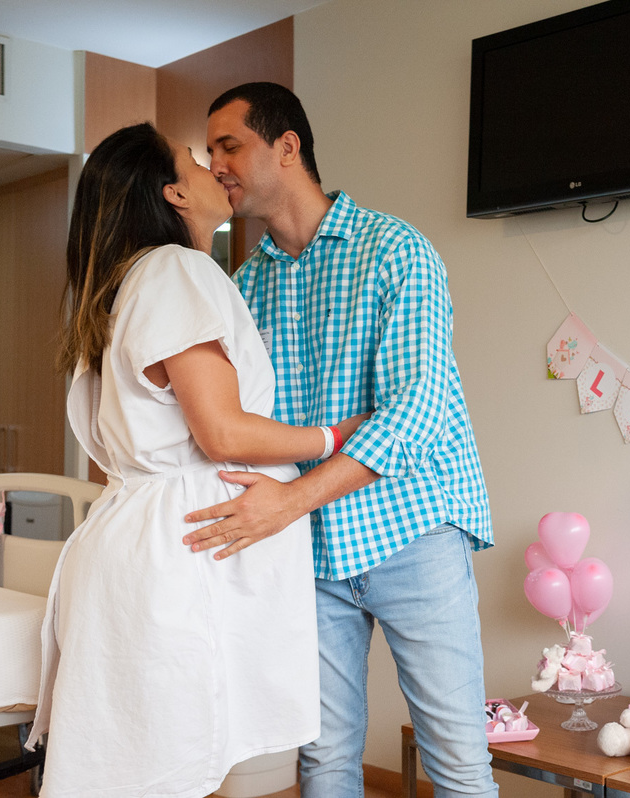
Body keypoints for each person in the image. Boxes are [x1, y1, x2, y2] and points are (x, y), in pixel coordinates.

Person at [27, 122, 367, 797]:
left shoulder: (124, 285)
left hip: (140, 541)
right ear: (174, 191)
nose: (216, 168)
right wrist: (333, 436)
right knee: (176, 764)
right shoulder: (177, 270)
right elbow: (221, 432)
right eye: (198, 159)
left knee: (137, 767)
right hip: (177, 553)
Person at [185, 82, 497, 797]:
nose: (217, 165)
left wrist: (290, 500)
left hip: (412, 530)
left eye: (229, 145)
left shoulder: (396, 250)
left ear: (286, 147)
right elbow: (237, 425)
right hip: (312, 552)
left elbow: (416, 408)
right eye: (209, 154)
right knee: (324, 762)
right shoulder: (245, 287)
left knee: (456, 761)